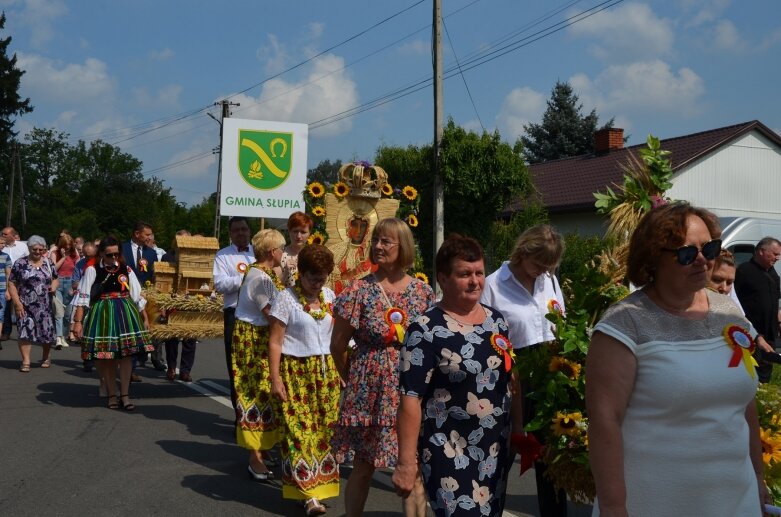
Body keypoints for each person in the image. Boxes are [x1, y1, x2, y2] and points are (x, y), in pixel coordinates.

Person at [586, 202, 768, 516]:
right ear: (654, 259)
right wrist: (614, 507)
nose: (702, 260)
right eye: (686, 254)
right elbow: (605, 423)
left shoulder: (730, 312)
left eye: (709, 249)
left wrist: (758, 476)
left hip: (736, 500)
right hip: (655, 501)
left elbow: (744, 403)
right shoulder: (624, 325)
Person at [393, 235, 518, 516]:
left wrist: (519, 430)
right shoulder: (424, 330)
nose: (475, 281)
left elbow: (510, 378)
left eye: (479, 273)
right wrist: (405, 462)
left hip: (495, 448)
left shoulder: (496, 321)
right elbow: (410, 398)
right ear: (443, 279)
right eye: (464, 274)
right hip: (448, 449)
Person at [330, 217, 434, 517]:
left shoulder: (423, 293)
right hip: (368, 393)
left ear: (402, 247)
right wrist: (355, 379)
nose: (377, 246)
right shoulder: (357, 291)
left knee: (411, 465)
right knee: (364, 465)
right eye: (375, 240)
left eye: (385, 241)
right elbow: (337, 346)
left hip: (410, 393)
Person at [480, 223, 567, 517]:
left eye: (549, 267)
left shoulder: (550, 281)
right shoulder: (493, 284)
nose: (542, 272)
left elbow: (561, 322)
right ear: (522, 252)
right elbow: (485, 335)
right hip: (513, 373)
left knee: (552, 457)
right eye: (538, 264)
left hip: (551, 372)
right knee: (505, 453)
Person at [269, 244, 340, 515]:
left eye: (322, 278)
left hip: (326, 374)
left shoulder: (329, 296)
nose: (317, 284)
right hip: (295, 372)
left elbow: (338, 336)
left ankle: (317, 488)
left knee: (324, 433)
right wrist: (275, 379)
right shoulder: (286, 299)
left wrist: (342, 370)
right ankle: (308, 496)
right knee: (298, 434)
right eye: (313, 278)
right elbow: (275, 342)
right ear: (301, 273)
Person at [72, 236, 153, 411]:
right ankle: (111, 394)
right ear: (102, 254)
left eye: (116, 254)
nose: (114, 258)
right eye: (110, 255)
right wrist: (77, 322)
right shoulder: (92, 270)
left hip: (125, 313)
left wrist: (145, 318)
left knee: (126, 356)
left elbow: (137, 296)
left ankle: (125, 395)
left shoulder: (127, 269)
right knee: (107, 357)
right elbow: (83, 298)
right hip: (103, 314)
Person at [233, 228, 286, 482]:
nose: (283, 253)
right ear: (272, 251)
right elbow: (272, 314)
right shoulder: (260, 277)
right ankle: (255, 456)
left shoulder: (263, 273)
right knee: (254, 393)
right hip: (253, 340)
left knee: (265, 394)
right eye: (281, 249)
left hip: (260, 337)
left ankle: (263, 449)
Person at [213, 216, 254, 411]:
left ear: (250, 231)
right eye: (236, 230)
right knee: (236, 366)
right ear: (230, 234)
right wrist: (247, 279)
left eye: (244, 229)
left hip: (259, 315)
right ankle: (239, 416)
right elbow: (220, 284)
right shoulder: (222, 255)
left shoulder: (259, 253)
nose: (241, 233)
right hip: (234, 314)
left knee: (256, 366)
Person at [7, 235, 58, 372]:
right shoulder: (20, 263)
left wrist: (54, 286)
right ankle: (26, 361)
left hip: (45, 304)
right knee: (24, 331)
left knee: (46, 332)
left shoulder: (48, 262)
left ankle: (46, 356)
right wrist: (17, 303)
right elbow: (11, 282)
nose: (38, 252)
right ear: (29, 248)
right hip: (25, 304)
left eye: (41, 250)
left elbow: (55, 278)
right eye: (35, 249)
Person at [735, 237, 781, 384]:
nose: (777, 258)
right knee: (748, 371)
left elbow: (774, 299)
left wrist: (778, 317)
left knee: (765, 369)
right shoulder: (743, 271)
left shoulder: (773, 273)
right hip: (749, 333)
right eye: (775, 254)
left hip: (770, 333)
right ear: (761, 251)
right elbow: (734, 302)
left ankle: (763, 397)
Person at [122, 221, 157, 380]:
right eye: (147, 234)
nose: (150, 237)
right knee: (128, 331)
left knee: (142, 330)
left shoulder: (151, 253)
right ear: (137, 234)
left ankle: (134, 364)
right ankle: (129, 368)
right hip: (125, 295)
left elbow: (153, 276)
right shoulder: (123, 249)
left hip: (144, 297)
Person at [161, 230, 196, 381]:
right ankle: (171, 367)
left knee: (190, 338)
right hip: (172, 300)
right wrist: (162, 304)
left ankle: (185, 370)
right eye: (181, 240)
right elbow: (162, 281)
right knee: (172, 338)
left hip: (190, 300)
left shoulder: (194, 257)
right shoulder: (167, 257)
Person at [71, 242, 98, 372]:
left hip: (97, 299)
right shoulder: (80, 264)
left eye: (91, 256)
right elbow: (74, 283)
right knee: (84, 330)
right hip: (84, 298)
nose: (89, 258)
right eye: (86, 256)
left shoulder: (99, 263)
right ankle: (87, 359)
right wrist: (83, 283)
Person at [51, 233, 80, 349]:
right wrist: (63, 257)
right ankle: (58, 337)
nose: (67, 247)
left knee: (68, 314)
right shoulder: (55, 253)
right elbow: (54, 269)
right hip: (58, 281)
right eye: (65, 245)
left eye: (69, 244)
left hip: (69, 283)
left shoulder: (74, 254)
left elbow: (77, 271)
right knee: (59, 311)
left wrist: (75, 287)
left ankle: (63, 335)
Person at [1, 226, 29, 341]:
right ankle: (6, 332)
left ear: (12, 235)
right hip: (6, 280)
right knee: (6, 307)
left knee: (21, 305)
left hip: (20, 281)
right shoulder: (2, 247)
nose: (3, 236)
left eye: (5, 234)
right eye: (2, 234)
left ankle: (23, 330)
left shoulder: (22, 246)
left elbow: (28, 261)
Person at [280, 211, 312, 287]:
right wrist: (285, 273)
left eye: (303, 232)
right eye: (295, 231)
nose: (298, 236)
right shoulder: (280, 255)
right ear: (289, 231)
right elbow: (274, 287)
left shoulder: (313, 255)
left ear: (309, 233)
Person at [0, 248, 9, 350]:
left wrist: (7, 290)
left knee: (0, 314)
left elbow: (8, 274)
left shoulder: (5, 256)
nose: (1, 245)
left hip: (2, 289)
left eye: (2, 243)